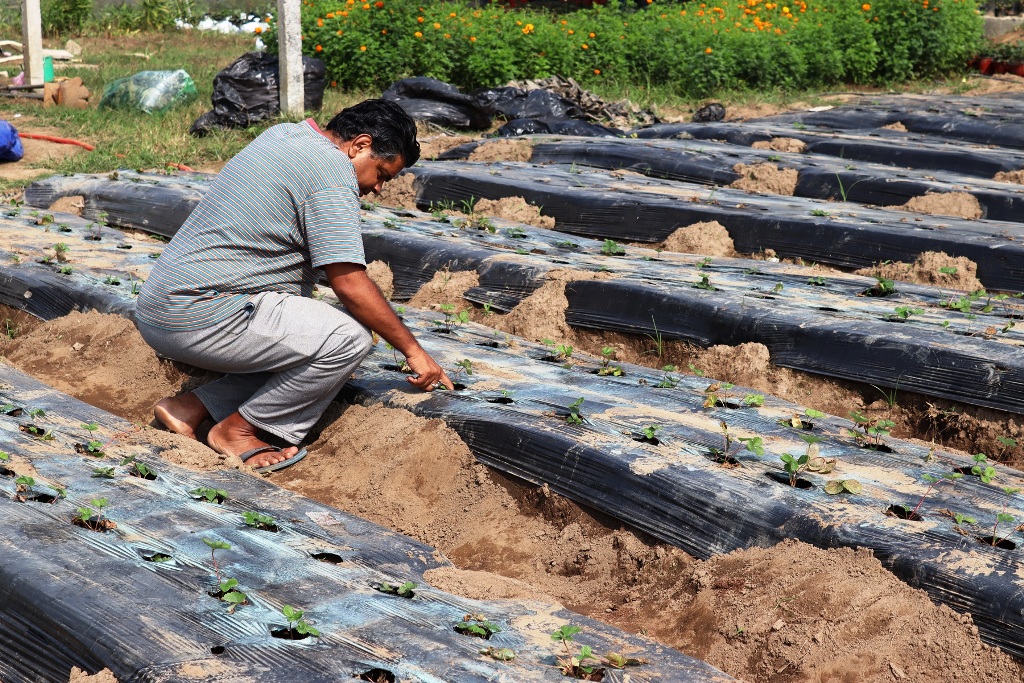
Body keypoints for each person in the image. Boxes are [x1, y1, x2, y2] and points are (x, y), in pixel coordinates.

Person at [134, 99, 453, 472]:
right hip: (200, 313)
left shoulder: (286, 134)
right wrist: (413, 350)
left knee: (305, 331)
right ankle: (237, 431)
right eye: (382, 173)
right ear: (360, 145)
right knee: (347, 338)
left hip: (163, 305)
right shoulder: (331, 171)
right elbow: (348, 281)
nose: (379, 188)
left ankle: (190, 407)